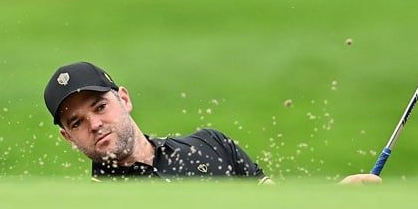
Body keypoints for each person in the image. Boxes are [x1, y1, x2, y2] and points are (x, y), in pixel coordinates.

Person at [44, 61, 381, 185]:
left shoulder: (210, 144)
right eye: (77, 122)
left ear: (125, 99)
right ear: (68, 137)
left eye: (100, 106)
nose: (95, 124)